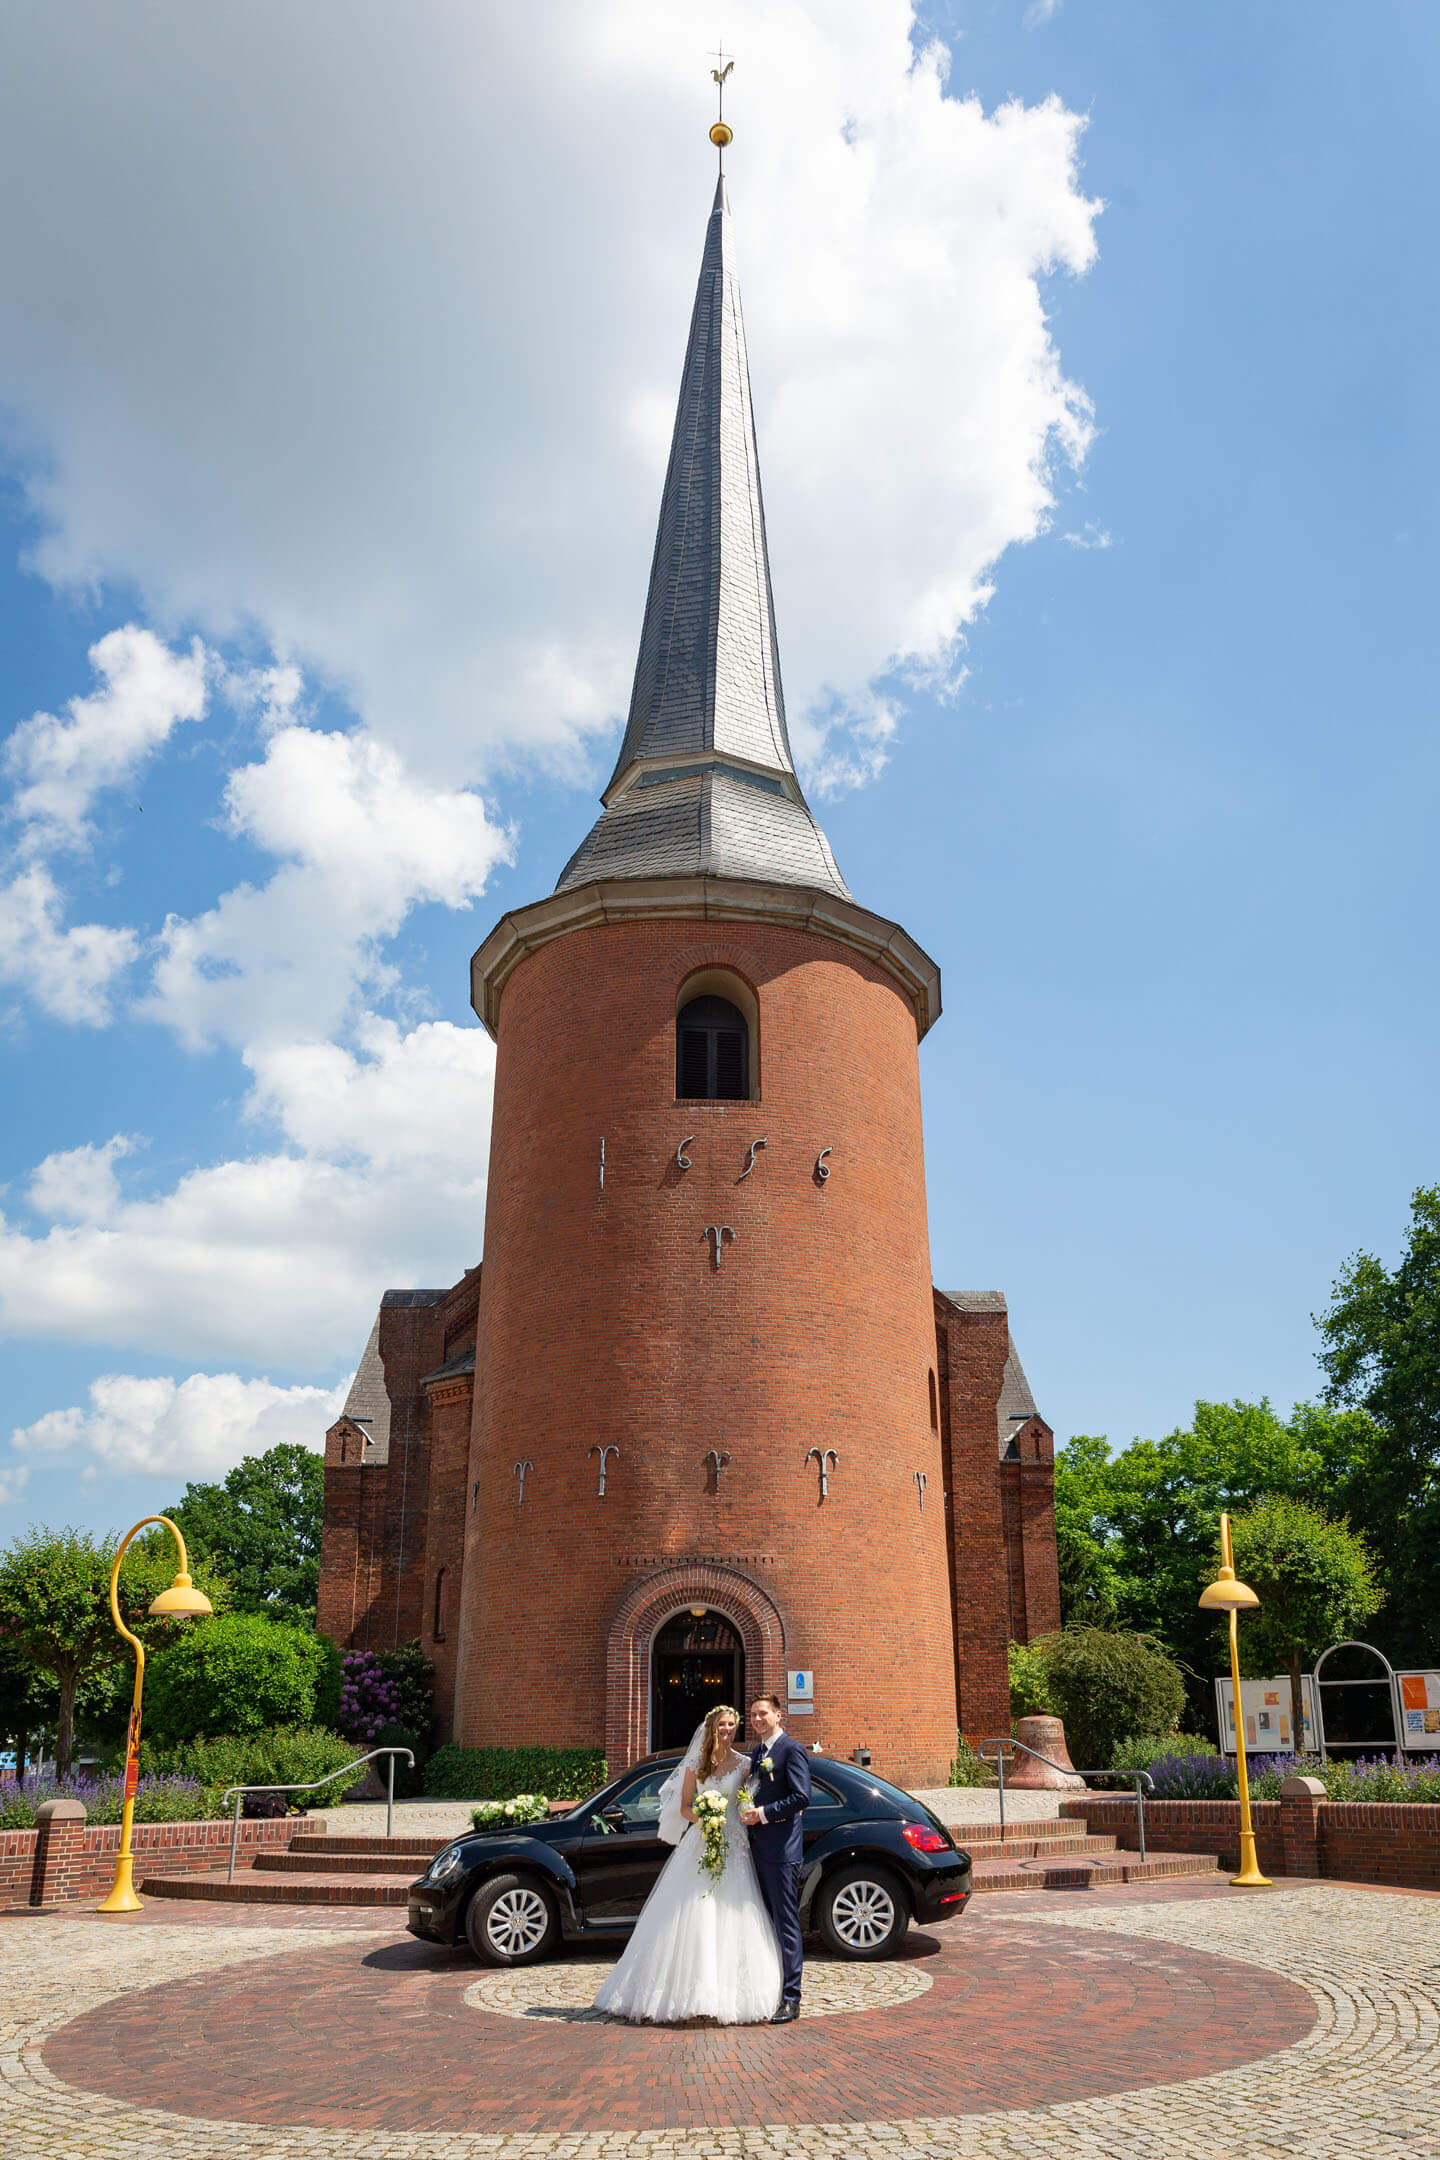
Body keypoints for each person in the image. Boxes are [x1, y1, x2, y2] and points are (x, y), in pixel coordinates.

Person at [591, 1703, 784, 2024]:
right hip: (702, 1841)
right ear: (711, 1727)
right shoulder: (696, 1763)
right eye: (722, 1725)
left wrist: (750, 1813)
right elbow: (683, 1807)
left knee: (734, 1911)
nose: (727, 1730)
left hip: (734, 1845)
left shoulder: (745, 1764)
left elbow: (751, 1799)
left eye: (732, 1725)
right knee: (690, 1911)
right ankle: (684, 1994)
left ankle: (730, 1994)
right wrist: (705, 1820)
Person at [738, 1692, 812, 2022]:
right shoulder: (758, 1752)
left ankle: (791, 1998)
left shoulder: (791, 1750)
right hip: (758, 1847)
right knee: (766, 1923)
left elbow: (801, 1797)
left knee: (786, 1924)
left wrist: (764, 1814)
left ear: (778, 1716)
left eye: (763, 1714)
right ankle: (771, 1988)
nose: (757, 1719)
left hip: (782, 1851)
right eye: (753, 1715)